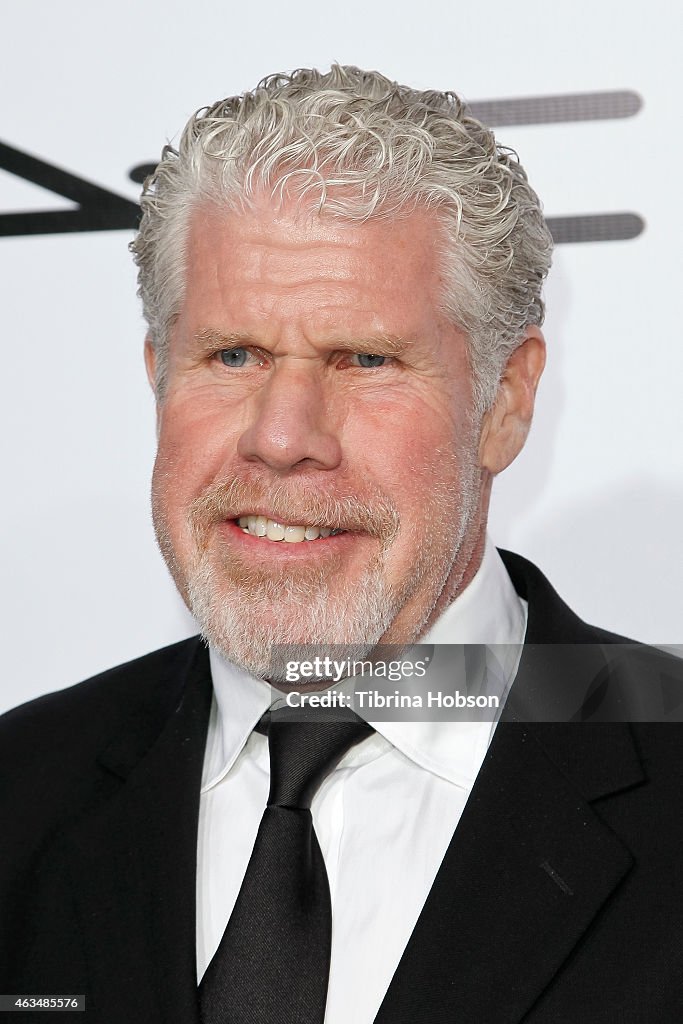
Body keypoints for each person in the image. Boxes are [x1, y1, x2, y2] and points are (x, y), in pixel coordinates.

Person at [1, 65, 682, 1023]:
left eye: (364, 360)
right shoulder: (21, 789)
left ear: (506, 401)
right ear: (157, 375)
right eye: (232, 355)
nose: (281, 436)